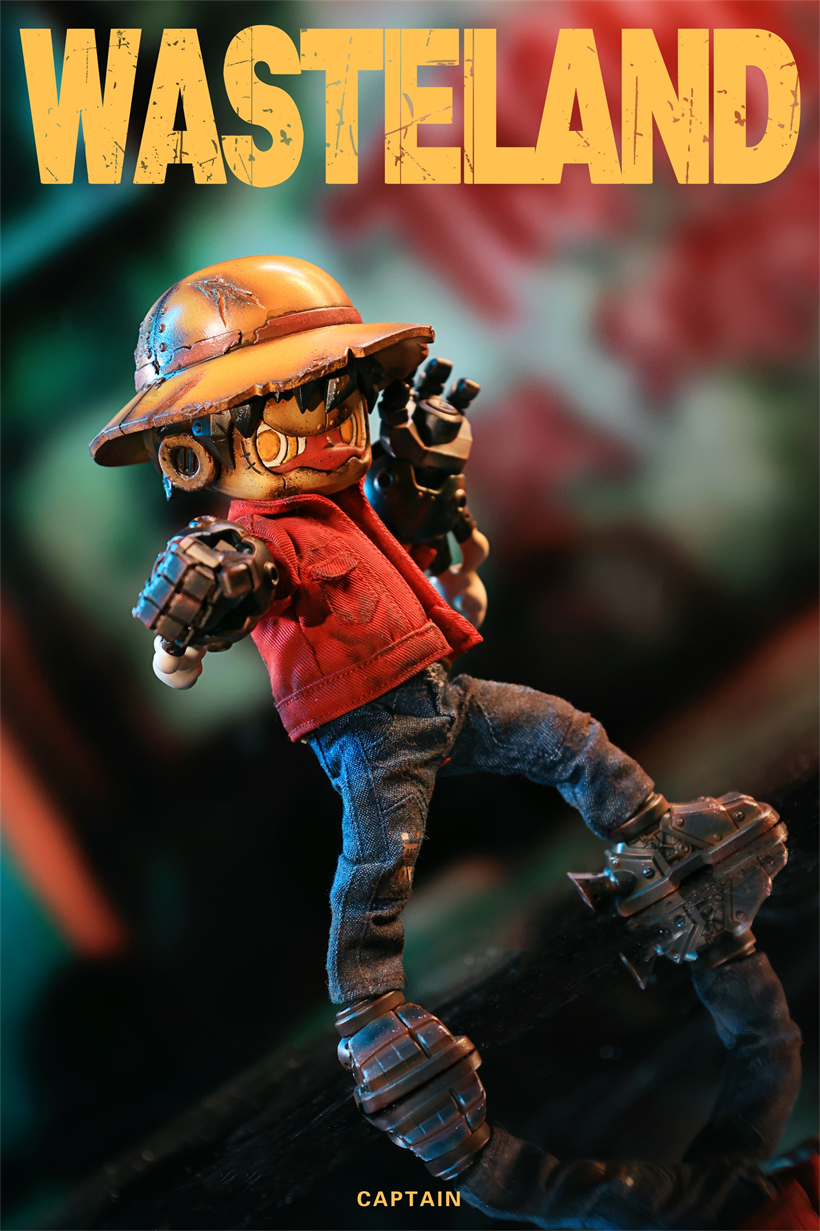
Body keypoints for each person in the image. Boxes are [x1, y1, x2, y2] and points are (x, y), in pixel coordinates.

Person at [90, 254, 782, 1186]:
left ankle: (659, 840)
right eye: (304, 409)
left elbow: (417, 544)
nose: (336, 428)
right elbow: (200, 611)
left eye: (343, 401)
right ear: (197, 452)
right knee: (377, 870)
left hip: (439, 694)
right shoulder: (257, 540)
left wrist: (431, 491)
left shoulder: (343, 506)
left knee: (567, 736)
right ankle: (371, 1016)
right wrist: (197, 608)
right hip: (370, 730)